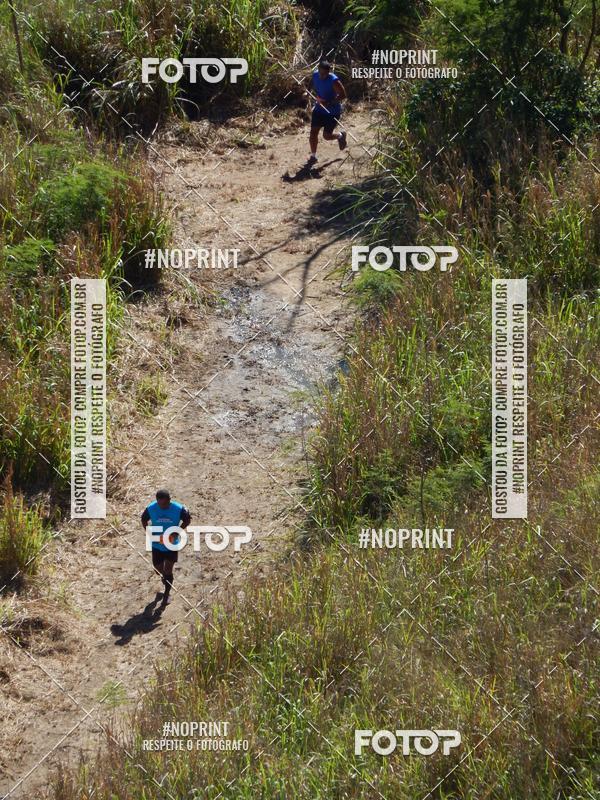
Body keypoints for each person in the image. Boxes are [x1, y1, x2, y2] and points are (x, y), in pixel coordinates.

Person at [141, 489, 191, 606]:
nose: (162, 506)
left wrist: (176, 532)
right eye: (160, 503)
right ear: (157, 501)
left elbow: (187, 520)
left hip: (171, 544)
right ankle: (164, 576)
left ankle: (167, 594)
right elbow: (143, 519)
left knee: (168, 570)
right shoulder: (151, 508)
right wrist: (149, 532)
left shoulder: (179, 509)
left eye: (165, 504)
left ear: (169, 500)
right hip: (156, 543)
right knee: (159, 569)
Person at [307, 59, 347, 164]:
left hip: (332, 112)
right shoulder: (315, 75)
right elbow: (311, 83)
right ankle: (313, 156)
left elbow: (343, 95)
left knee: (326, 136)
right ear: (318, 70)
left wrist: (328, 103)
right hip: (319, 109)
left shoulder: (334, 80)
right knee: (313, 132)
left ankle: (340, 136)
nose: (321, 76)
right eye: (320, 72)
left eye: (324, 74)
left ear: (328, 72)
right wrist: (307, 92)